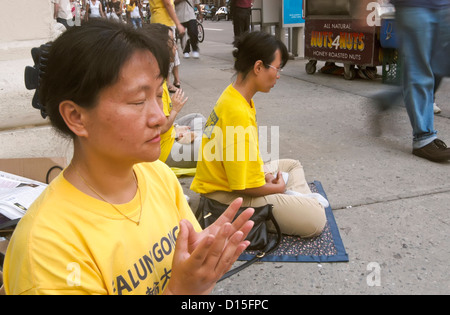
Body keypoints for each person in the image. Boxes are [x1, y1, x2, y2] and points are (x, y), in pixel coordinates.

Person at [3, 20, 254, 295]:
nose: (160, 117)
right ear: (77, 117)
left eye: (159, 95)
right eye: (138, 102)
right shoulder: (48, 249)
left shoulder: (158, 175)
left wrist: (201, 269)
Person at [191, 31, 327, 238]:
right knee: (317, 219)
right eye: (277, 68)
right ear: (258, 67)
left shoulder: (233, 95)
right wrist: (276, 187)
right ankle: (301, 200)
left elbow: (241, 159)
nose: (278, 75)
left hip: (230, 181)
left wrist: (265, 176)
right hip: (226, 198)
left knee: (292, 165)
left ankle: (298, 199)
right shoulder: (236, 112)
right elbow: (244, 187)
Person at [391, 0, 450, 162]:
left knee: (438, 65)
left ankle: (388, 98)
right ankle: (423, 138)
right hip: (414, 6)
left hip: (444, 6)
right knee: (419, 68)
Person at [149, 0, 185, 92]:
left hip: (158, 19)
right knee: (168, 53)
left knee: (173, 51)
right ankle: (168, 83)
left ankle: (176, 80)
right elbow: (168, 3)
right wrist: (178, 23)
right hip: (164, 21)